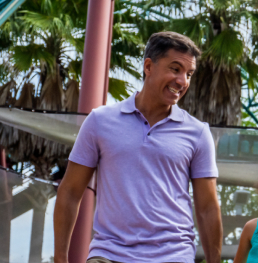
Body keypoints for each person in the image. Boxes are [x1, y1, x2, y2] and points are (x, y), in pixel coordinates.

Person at [52, 31, 221, 263]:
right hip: (108, 253)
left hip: (173, 255)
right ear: (148, 67)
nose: (183, 81)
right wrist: (61, 258)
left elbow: (208, 208)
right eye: (175, 69)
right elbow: (70, 191)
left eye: (189, 74)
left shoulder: (198, 133)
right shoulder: (100, 121)